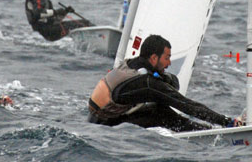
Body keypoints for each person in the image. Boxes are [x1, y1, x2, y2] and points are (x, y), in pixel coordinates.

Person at [88, 34, 240, 132]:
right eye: (166, 58)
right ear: (154, 58)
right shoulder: (147, 83)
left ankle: (207, 129)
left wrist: (165, 78)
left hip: (96, 121)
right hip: (106, 128)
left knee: (160, 108)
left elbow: (172, 82)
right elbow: (187, 105)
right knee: (164, 114)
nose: (168, 63)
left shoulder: (130, 64)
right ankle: (210, 133)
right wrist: (226, 122)